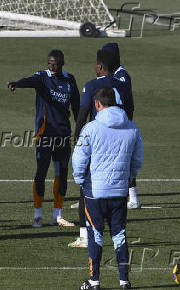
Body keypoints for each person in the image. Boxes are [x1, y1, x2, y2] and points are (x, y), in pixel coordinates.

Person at [73, 87, 143, 290]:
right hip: (120, 191)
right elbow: (137, 159)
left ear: (97, 104)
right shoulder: (132, 127)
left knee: (95, 234)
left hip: (95, 191)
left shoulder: (91, 128)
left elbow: (79, 158)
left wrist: (79, 178)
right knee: (119, 234)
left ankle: (94, 281)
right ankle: (124, 281)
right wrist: (129, 177)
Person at [69, 48, 133, 248]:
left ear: (99, 66)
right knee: (117, 188)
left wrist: (77, 141)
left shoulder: (93, 85)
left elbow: (82, 115)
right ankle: (117, 237)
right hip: (121, 140)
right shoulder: (123, 86)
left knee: (86, 188)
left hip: (97, 142)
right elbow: (130, 111)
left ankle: (85, 236)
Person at [8, 49, 80, 227]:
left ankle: (57, 214)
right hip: (44, 135)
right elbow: (29, 81)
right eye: (49, 63)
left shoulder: (70, 80)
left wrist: (80, 130)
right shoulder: (42, 77)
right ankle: (38, 214)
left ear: (62, 63)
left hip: (63, 135)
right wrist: (17, 83)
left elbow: (77, 107)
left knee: (61, 173)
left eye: (55, 63)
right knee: (41, 172)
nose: (52, 66)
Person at [102, 43, 140, 209]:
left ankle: (133, 198)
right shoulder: (111, 74)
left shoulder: (122, 75)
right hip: (111, 125)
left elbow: (123, 100)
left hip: (120, 126)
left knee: (124, 160)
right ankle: (95, 195)